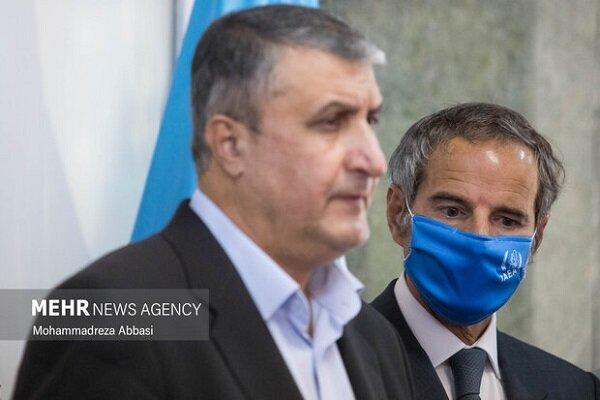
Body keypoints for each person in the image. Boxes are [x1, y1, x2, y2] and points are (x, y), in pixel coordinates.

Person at [13, 5, 414, 400]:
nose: (374, 161)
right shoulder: (113, 314)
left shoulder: (374, 337)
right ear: (230, 144)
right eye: (330, 122)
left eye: (370, 120)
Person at [372, 103, 600, 399]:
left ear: (538, 236)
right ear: (398, 214)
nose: (479, 237)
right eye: (452, 211)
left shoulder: (575, 389)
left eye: (507, 220)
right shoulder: (333, 362)